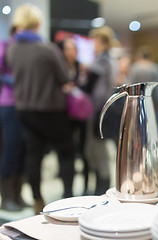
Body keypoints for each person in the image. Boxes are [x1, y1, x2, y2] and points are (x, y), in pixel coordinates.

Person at [7, 4, 75, 214]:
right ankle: (68, 198)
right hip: (50, 110)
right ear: (37, 24)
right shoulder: (47, 49)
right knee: (66, 152)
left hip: (24, 110)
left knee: (33, 155)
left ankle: (37, 199)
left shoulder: (12, 49)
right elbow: (64, 79)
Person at [83, 26, 115, 195]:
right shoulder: (109, 60)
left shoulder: (101, 61)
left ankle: (101, 190)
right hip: (103, 109)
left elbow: (88, 86)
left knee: (97, 150)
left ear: (101, 41)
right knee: (98, 150)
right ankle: (101, 187)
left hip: (97, 111)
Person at [57, 38, 90, 195]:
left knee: (84, 150)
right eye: (67, 48)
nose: (70, 52)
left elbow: (86, 87)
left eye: (73, 48)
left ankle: (85, 187)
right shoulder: (58, 66)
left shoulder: (80, 67)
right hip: (64, 114)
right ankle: (67, 190)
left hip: (80, 114)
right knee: (66, 150)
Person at [0, 26, 27, 212]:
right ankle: (7, 197)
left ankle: (18, 194)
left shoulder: (28, 51)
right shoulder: (5, 47)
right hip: (9, 104)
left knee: (22, 151)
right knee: (10, 150)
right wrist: (16, 81)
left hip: (27, 104)